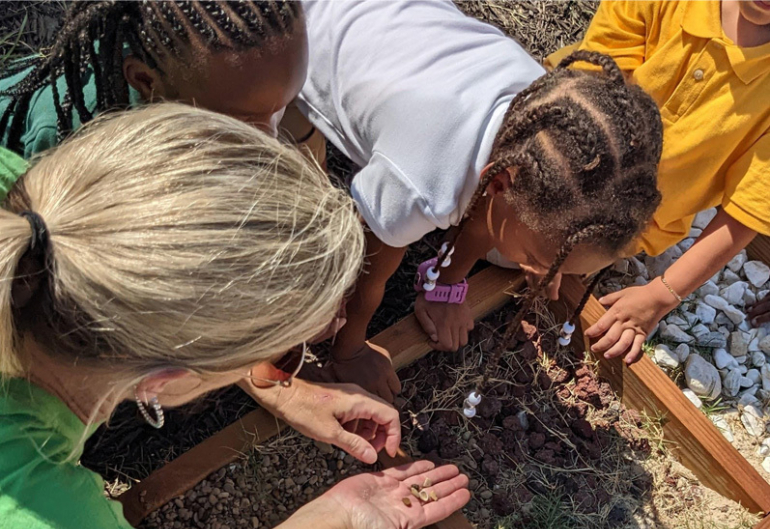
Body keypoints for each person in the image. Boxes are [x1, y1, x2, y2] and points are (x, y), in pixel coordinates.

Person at [0, 103, 470, 529]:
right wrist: (335, 517)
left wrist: (274, 382)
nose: (286, 373)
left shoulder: (32, 206)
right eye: (284, 358)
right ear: (162, 381)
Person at [294, 0, 664, 401]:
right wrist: (349, 350)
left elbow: (490, 213)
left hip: (391, 21)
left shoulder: (541, 121)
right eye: (537, 261)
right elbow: (371, 269)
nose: (538, 272)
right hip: (294, 28)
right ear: (500, 183)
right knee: (278, 152)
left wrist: (448, 286)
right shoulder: (420, 183)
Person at [544, 0, 770, 354]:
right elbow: (585, 86)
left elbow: (747, 213)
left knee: (523, 254)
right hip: (560, 146)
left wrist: (659, 296)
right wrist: (556, 206)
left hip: (621, 224)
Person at [0, 0, 308, 155]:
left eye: (282, 104)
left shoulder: (235, 85)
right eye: (241, 121)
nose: (272, 141)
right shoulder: (77, 136)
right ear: (146, 82)